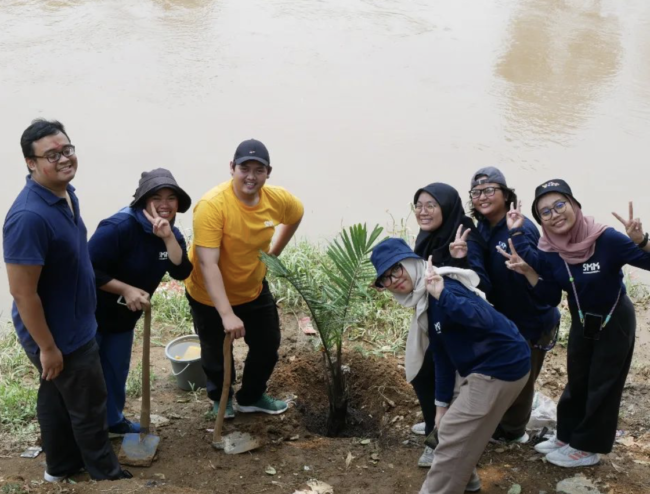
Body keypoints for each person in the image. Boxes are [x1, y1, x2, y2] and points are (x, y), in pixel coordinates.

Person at [3, 119, 130, 482]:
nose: (63, 159)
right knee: (89, 404)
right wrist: (47, 347)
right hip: (60, 336)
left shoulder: (64, 194)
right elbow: (22, 292)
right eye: (51, 155)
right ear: (30, 163)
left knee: (58, 396)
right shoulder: (28, 218)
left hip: (74, 323)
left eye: (67, 150)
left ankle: (59, 467)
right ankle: (106, 475)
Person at [501, 179, 650, 468]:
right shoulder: (549, 250)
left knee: (603, 385)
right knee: (578, 379)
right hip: (582, 319)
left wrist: (641, 240)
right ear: (541, 221)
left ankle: (587, 448)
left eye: (560, 205)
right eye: (545, 212)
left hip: (614, 319)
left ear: (574, 205)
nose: (555, 214)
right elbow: (550, 295)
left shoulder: (606, 239)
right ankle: (567, 436)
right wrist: (527, 270)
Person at [371, 238, 530, 494]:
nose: (394, 280)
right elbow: (442, 355)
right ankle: (470, 486)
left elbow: (484, 318)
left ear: (411, 263)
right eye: (385, 278)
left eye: (396, 269)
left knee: (449, 441)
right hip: (482, 365)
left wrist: (443, 295)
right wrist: (441, 407)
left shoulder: (444, 289)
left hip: (499, 366)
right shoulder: (427, 300)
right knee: (447, 429)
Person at [185, 139, 303, 418]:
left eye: (258, 170)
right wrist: (226, 314)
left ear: (268, 172)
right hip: (208, 292)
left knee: (268, 344)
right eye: (244, 168)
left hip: (252, 287)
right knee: (215, 353)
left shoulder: (278, 199)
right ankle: (220, 399)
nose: (251, 176)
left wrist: (273, 255)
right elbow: (208, 262)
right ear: (232, 168)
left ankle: (251, 396)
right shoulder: (212, 205)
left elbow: (296, 215)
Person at [88, 168, 193, 436]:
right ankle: (81, 434)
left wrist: (168, 238)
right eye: (156, 197)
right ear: (142, 201)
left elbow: (181, 272)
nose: (164, 204)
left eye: (171, 198)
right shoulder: (118, 228)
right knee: (86, 377)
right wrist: (125, 289)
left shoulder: (171, 233)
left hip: (123, 318)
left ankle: (113, 423)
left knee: (116, 370)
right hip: (89, 315)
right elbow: (87, 271)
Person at [468, 167, 560, 443]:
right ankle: (501, 420)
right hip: (504, 316)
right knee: (503, 373)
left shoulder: (521, 229)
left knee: (522, 378)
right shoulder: (484, 226)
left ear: (506, 194)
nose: (482, 197)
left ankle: (512, 432)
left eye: (489, 190)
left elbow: (545, 277)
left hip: (531, 319)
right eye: (476, 192)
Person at [409, 182, 491, 467]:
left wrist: (462, 257)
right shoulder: (429, 236)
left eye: (431, 205)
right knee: (424, 374)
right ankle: (436, 422)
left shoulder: (464, 236)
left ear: (446, 207)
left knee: (444, 379)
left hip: (461, 324)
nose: (423, 211)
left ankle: (440, 442)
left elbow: (484, 284)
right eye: (418, 205)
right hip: (436, 318)